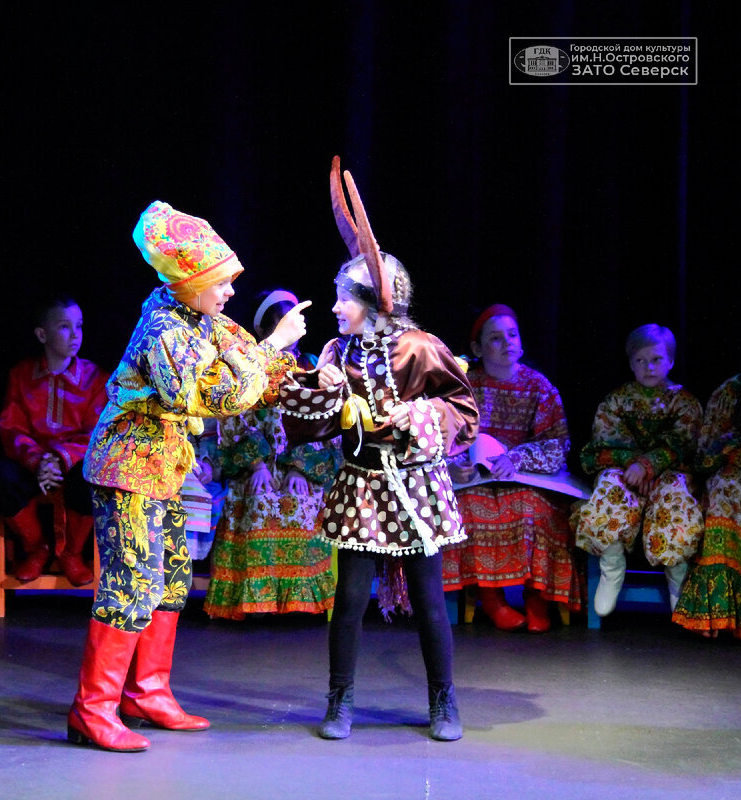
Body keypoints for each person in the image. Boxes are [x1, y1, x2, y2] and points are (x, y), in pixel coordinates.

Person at [67, 200, 308, 752]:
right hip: (128, 467)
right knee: (130, 583)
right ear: (190, 281)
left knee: (171, 579)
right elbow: (214, 394)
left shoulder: (205, 319)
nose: (229, 293)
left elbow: (256, 369)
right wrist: (272, 347)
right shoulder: (163, 328)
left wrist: (308, 373)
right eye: (220, 283)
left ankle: (147, 692)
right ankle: (93, 708)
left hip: (166, 470)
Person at [279, 160, 477, 742]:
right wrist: (326, 397)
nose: (335, 308)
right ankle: (339, 702)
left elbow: (464, 410)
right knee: (348, 599)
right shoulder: (338, 351)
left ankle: (444, 702)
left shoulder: (419, 348)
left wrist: (416, 414)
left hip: (414, 486)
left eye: (344, 299)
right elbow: (311, 418)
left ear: (375, 300)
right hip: (363, 485)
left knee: (429, 603)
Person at [442, 305, 583, 632]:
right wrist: (455, 465)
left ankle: (537, 598)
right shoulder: (465, 386)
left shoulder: (539, 387)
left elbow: (558, 442)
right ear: (478, 348)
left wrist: (516, 458)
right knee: (469, 509)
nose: (507, 342)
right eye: (495, 338)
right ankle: (491, 600)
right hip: (476, 480)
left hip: (524, 479)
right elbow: (444, 434)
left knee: (531, 508)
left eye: (512, 334)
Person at [204, 290, 340, 620]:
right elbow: (234, 416)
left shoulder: (312, 367)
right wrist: (255, 464)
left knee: (303, 499)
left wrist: (299, 468)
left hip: (299, 465)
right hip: (255, 465)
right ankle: (256, 599)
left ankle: (298, 599)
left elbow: (324, 423)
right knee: (258, 496)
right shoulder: (249, 362)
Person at [573, 324, 703, 617]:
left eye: (656, 359)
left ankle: (676, 575)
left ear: (670, 361)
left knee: (676, 495)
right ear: (631, 363)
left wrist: (649, 466)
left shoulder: (684, 402)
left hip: (668, 475)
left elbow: (685, 442)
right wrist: (635, 466)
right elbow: (603, 443)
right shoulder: (616, 401)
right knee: (609, 488)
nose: (649, 367)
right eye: (641, 360)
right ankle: (612, 565)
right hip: (626, 474)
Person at [0, 294, 108, 585]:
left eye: (79, 326)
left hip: (74, 465)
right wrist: (39, 461)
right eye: (64, 327)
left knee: (94, 477)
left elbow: (96, 432)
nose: (75, 335)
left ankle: (71, 552)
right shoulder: (22, 375)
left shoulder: (95, 378)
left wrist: (61, 458)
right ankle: (37, 547)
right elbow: (12, 427)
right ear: (42, 334)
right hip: (32, 464)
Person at [672, 373, 739, 637]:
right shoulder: (730, 393)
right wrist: (727, 445)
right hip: (732, 473)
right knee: (725, 492)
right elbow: (704, 459)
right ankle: (719, 615)